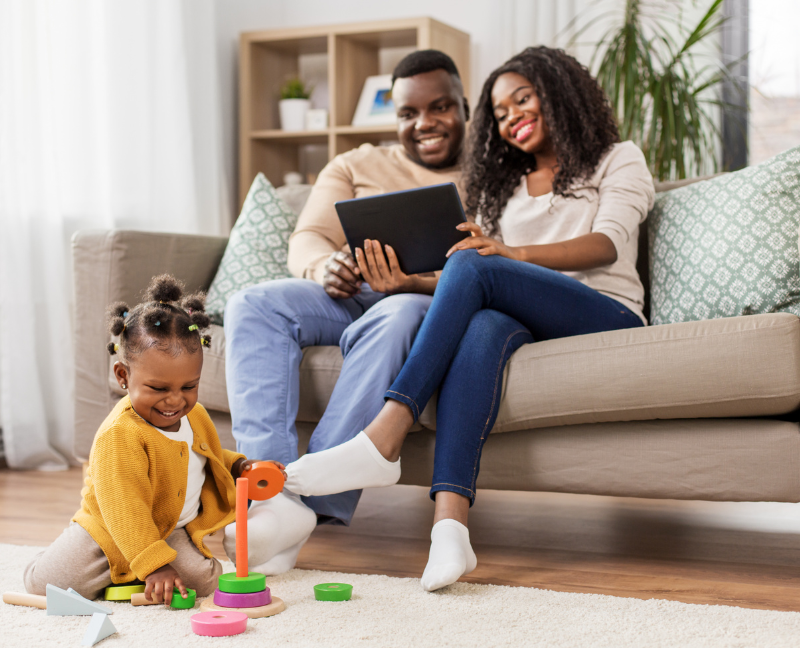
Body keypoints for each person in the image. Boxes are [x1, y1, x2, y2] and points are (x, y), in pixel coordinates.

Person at [282, 46, 656, 592]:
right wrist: (410, 283)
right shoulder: (504, 185)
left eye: (522, 99)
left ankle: (385, 434)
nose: (511, 117)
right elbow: (478, 276)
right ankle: (450, 530)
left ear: (561, 92)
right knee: (479, 320)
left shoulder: (618, 157)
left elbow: (604, 245)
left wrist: (505, 254)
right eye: (500, 112)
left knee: (473, 260)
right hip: (525, 313)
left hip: (605, 313)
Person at [222, 50, 469, 574]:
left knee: (399, 314)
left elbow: (496, 267)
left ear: (464, 107)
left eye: (440, 107)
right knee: (253, 304)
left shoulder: (495, 173)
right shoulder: (356, 163)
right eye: (408, 113)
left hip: (424, 300)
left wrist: (411, 281)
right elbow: (308, 236)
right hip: (347, 297)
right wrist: (322, 266)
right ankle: (270, 495)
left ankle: (308, 498)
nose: (424, 124)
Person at [23, 275, 280, 604]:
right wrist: (156, 567)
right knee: (48, 586)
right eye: (159, 389)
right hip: (110, 530)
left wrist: (241, 464)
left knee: (205, 582)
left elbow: (204, 456)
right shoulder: (121, 434)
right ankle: (115, 564)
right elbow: (125, 510)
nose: (175, 400)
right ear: (123, 376)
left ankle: (142, 565)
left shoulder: (195, 414)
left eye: (189, 387)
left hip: (169, 526)